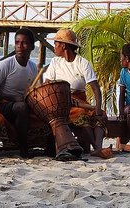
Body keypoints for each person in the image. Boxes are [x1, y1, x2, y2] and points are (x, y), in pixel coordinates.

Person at [45, 28, 108, 157]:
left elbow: (96, 89)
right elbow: (47, 85)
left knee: (100, 115)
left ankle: (98, 147)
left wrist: (97, 108)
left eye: (56, 44)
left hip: (81, 101)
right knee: (80, 114)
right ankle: (96, 148)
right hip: (62, 103)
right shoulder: (55, 62)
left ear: (64, 46)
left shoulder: (83, 63)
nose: (54, 47)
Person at [0, 28, 39, 158]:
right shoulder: (5, 64)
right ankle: (23, 148)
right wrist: (12, 97)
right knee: (21, 107)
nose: (20, 46)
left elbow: (34, 91)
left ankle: (53, 147)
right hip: (4, 106)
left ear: (32, 47)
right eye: (17, 42)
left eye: (24, 43)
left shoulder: (33, 67)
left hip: (22, 105)